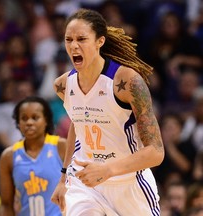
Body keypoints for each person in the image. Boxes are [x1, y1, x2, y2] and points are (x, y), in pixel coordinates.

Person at [51, 8, 164, 216]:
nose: (74, 45)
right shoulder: (63, 85)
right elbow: (78, 126)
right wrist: (63, 177)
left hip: (129, 184)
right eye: (69, 40)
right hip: (85, 183)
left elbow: (156, 152)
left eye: (82, 39)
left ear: (99, 41)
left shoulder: (127, 81)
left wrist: (108, 169)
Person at [0, 96, 66, 216]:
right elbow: (6, 204)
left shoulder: (61, 146)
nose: (29, 122)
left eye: (35, 118)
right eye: (24, 118)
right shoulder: (8, 156)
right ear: (18, 123)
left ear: (46, 120)